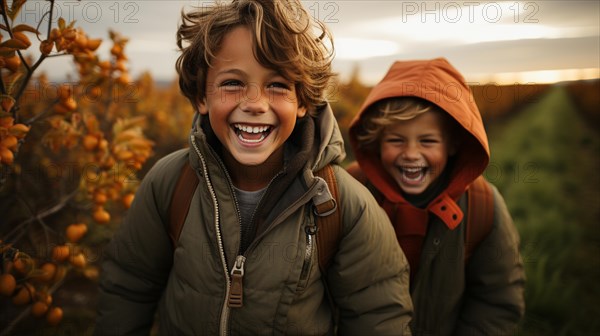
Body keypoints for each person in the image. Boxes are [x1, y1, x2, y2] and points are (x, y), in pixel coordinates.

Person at [95, 0, 413, 335]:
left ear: (303, 102)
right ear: (202, 96)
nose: (254, 104)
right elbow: (127, 288)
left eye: (277, 85)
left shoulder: (341, 204)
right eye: (232, 83)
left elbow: (378, 318)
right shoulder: (170, 183)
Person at [346, 58, 525, 336]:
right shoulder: (352, 192)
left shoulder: (482, 206)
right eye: (396, 140)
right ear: (377, 141)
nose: (411, 154)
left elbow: (497, 299)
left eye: (427, 141)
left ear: (453, 143)